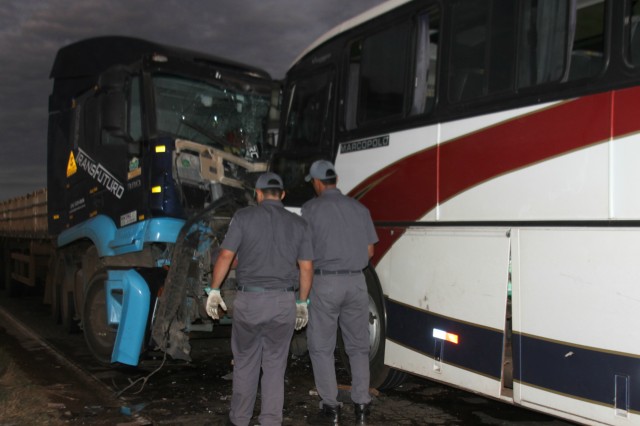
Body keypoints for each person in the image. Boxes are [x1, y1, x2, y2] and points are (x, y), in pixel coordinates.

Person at [205, 172, 314, 426]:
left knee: (245, 363)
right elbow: (306, 268)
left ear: (258, 194)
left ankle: (240, 419)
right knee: (275, 367)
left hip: (250, 302)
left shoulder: (243, 217)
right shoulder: (299, 224)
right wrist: (302, 304)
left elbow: (225, 257)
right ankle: (270, 421)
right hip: (283, 304)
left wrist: (214, 290)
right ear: (283, 195)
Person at [302, 160, 378, 425]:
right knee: (358, 347)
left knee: (322, 347)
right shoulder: (359, 208)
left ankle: (331, 407)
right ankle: (361, 405)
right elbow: (369, 252)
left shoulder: (310, 209)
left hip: (326, 283)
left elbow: (305, 254)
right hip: (357, 282)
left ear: (317, 182)